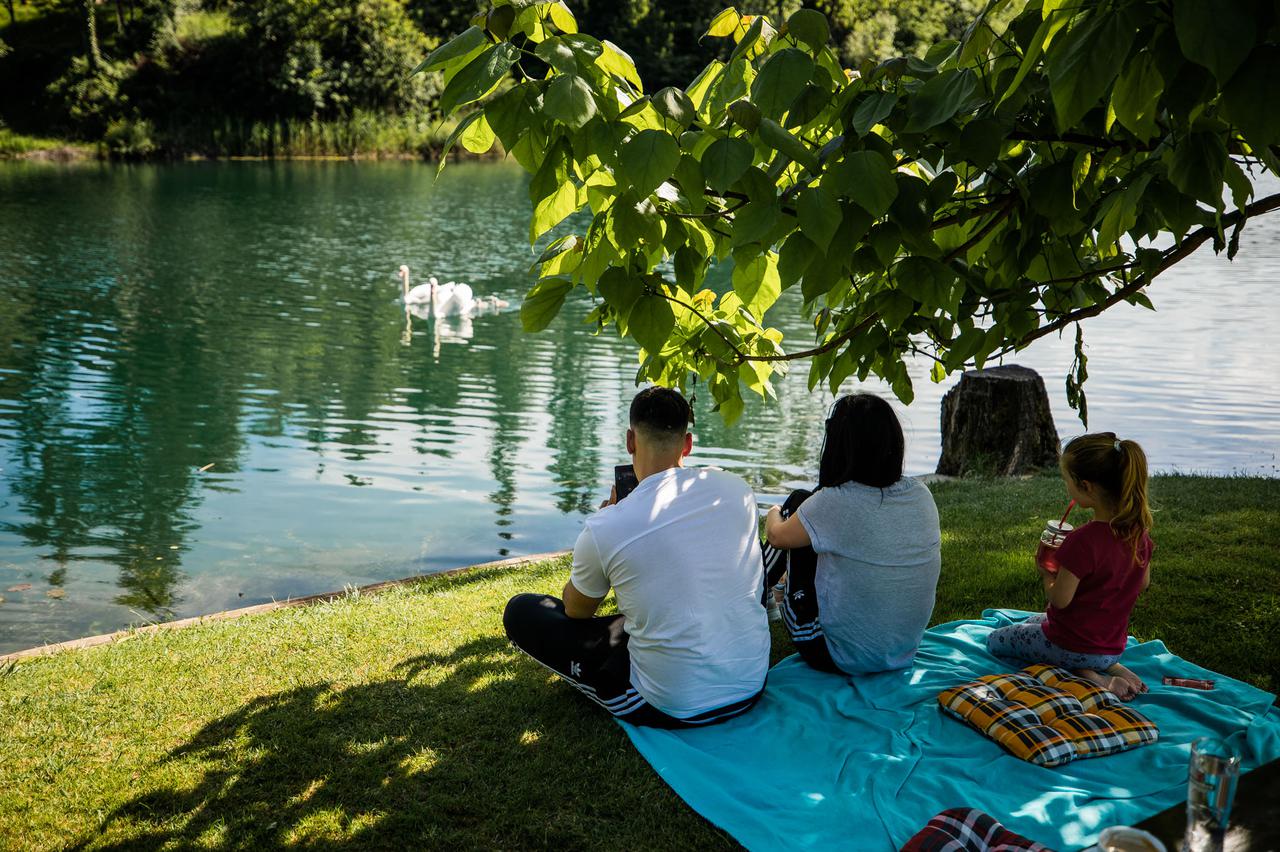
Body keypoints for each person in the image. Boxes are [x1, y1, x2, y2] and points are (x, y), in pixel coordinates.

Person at [502, 386, 769, 728]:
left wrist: (607, 528)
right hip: (751, 683)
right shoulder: (737, 490)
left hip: (672, 704)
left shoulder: (609, 524)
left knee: (522, 610)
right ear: (687, 445)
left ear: (630, 441)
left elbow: (577, 610)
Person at [762, 393, 941, 675]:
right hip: (902, 649)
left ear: (839, 445)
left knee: (797, 502)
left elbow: (776, 537)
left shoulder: (835, 501)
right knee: (810, 516)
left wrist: (773, 511)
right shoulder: (920, 494)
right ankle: (766, 593)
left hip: (837, 655)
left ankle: (757, 593)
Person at [986, 433, 1155, 700]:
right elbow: (1142, 583)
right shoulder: (1138, 534)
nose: (1066, 487)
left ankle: (1093, 677)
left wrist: (1047, 575)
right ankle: (1110, 666)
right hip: (1111, 646)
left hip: (1070, 644)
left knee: (996, 640)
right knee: (1032, 621)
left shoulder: (1082, 541)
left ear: (1086, 486)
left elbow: (1059, 600)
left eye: (1067, 481)